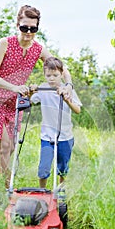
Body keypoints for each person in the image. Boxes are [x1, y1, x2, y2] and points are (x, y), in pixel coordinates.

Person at [0, 5, 74, 188]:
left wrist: (68, 85)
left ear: (37, 28)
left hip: (14, 103)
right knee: (5, 147)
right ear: (17, 25)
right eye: (24, 27)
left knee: (11, 147)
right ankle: (7, 191)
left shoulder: (37, 49)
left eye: (33, 28)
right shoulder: (4, 43)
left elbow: (59, 66)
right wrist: (14, 87)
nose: (28, 32)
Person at [30, 57, 82, 188]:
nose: (52, 78)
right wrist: (31, 90)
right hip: (47, 137)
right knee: (43, 168)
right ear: (44, 75)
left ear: (61, 74)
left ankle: (61, 191)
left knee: (63, 167)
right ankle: (42, 192)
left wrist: (67, 100)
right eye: (48, 75)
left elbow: (78, 110)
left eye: (55, 75)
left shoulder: (68, 90)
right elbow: (31, 100)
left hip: (65, 137)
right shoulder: (43, 89)